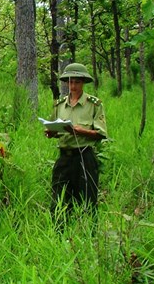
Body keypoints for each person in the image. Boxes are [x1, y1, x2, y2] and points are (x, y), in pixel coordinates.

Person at [44, 62, 107, 220]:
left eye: (77, 82)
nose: (73, 86)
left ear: (83, 83)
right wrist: (51, 132)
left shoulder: (94, 104)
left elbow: (101, 133)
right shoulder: (60, 105)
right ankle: (59, 235)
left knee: (88, 200)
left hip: (84, 157)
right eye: (70, 81)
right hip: (64, 158)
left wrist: (80, 131)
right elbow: (53, 129)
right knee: (59, 200)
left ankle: (89, 236)